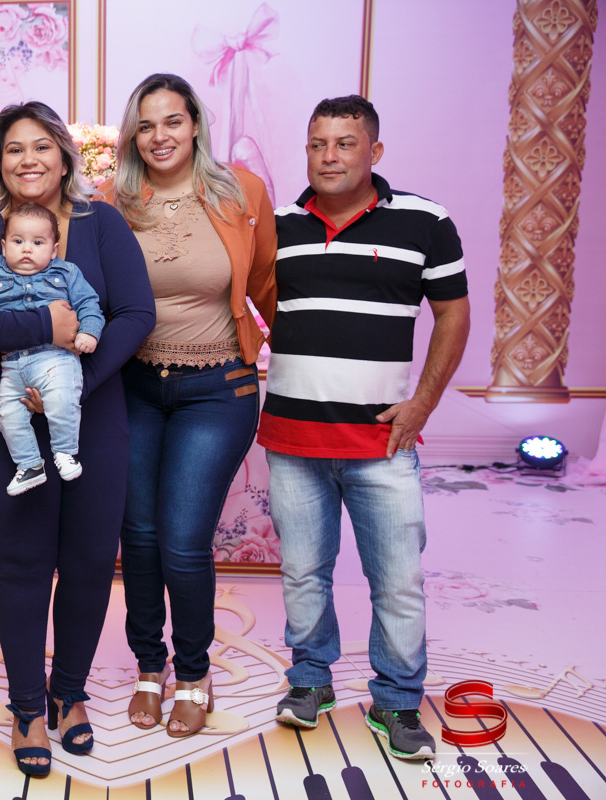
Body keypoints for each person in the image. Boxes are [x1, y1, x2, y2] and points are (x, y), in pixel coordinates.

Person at [0, 101, 154, 775]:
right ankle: (28, 707)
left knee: (89, 565)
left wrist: (73, 386)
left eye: (41, 146)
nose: (28, 159)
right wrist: (46, 329)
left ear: (65, 157)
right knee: (25, 566)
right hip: (4, 424)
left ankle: (70, 695)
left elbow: (135, 313)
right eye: (13, 149)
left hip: (94, 417)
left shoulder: (102, 224)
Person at [261, 95, 469, 761]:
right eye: (317, 143)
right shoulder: (279, 225)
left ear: (374, 151)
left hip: (383, 443)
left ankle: (398, 701)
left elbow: (453, 314)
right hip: (292, 439)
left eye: (345, 143)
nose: (329, 156)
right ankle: (309, 680)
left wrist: (423, 404)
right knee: (303, 573)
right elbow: (255, 300)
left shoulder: (425, 221)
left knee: (398, 580)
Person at [104, 73, 276, 737]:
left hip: (218, 388)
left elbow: (269, 285)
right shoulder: (113, 201)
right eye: (145, 125)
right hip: (135, 386)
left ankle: (195, 673)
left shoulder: (240, 193)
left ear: (195, 124)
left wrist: (317, 377)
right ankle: (150, 667)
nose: (159, 136)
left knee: (181, 540)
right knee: (140, 537)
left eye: (171, 121)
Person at [0, 203, 103, 495]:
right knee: (8, 416)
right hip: (12, 363)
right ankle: (29, 465)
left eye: (38, 243)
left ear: (53, 250)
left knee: (61, 401)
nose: (27, 249)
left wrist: (89, 331)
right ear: (4, 246)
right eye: (18, 241)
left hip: (55, 358)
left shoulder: (67, 273)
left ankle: (65, 452)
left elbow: (89, 304)